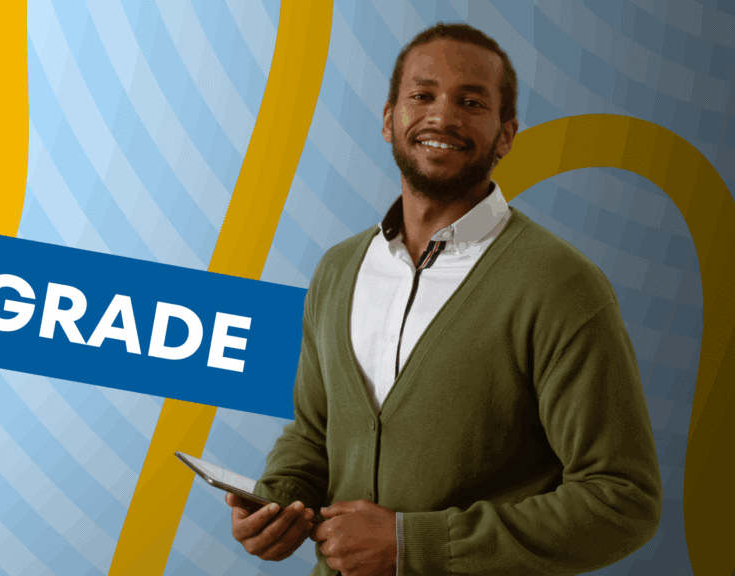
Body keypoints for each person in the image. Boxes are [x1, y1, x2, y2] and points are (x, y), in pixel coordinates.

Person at [225, 22, 662, 576]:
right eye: (422, 95)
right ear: (389, 119)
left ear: (506, 136)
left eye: (472, 102)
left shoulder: (560, 286)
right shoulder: (338, 270)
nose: (443, 116)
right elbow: (315, 432)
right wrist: (279, 500)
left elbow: (622, 500)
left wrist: (417, 544)